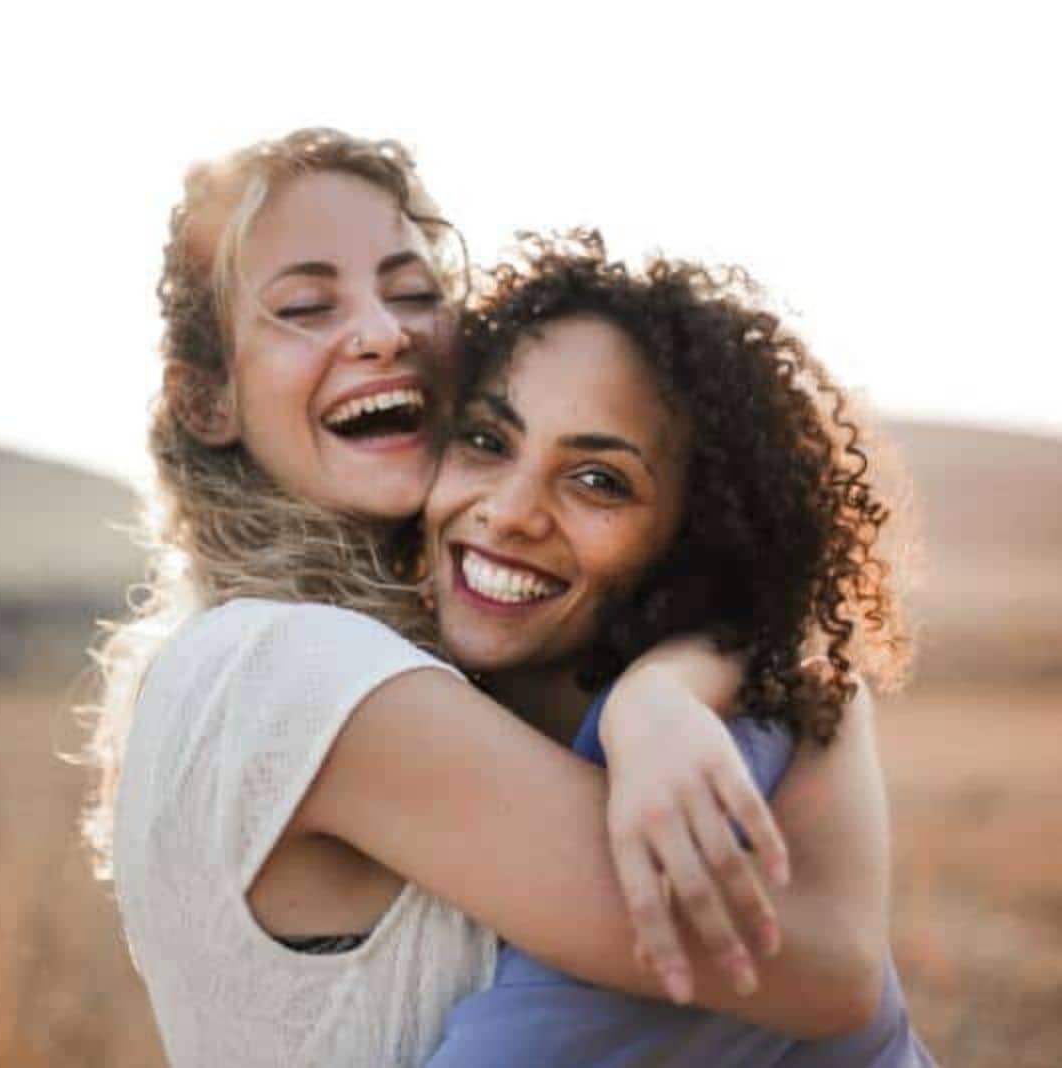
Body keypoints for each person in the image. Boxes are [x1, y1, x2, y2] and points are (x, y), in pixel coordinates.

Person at [84, 129, 889, 1068]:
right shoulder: (305, 673)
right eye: (305, 305)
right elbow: (821, 966)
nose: (382, 330)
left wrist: (666, 686)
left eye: (414, 292)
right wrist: (822, 694)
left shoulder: (291, 653)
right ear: (206, 401)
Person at [417, 231, 932, 1065]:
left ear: (694, 540)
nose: (511, 511)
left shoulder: (689, 802)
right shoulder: (607, 704)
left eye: (599, 481)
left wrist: (658, 700)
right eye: (486, 438)